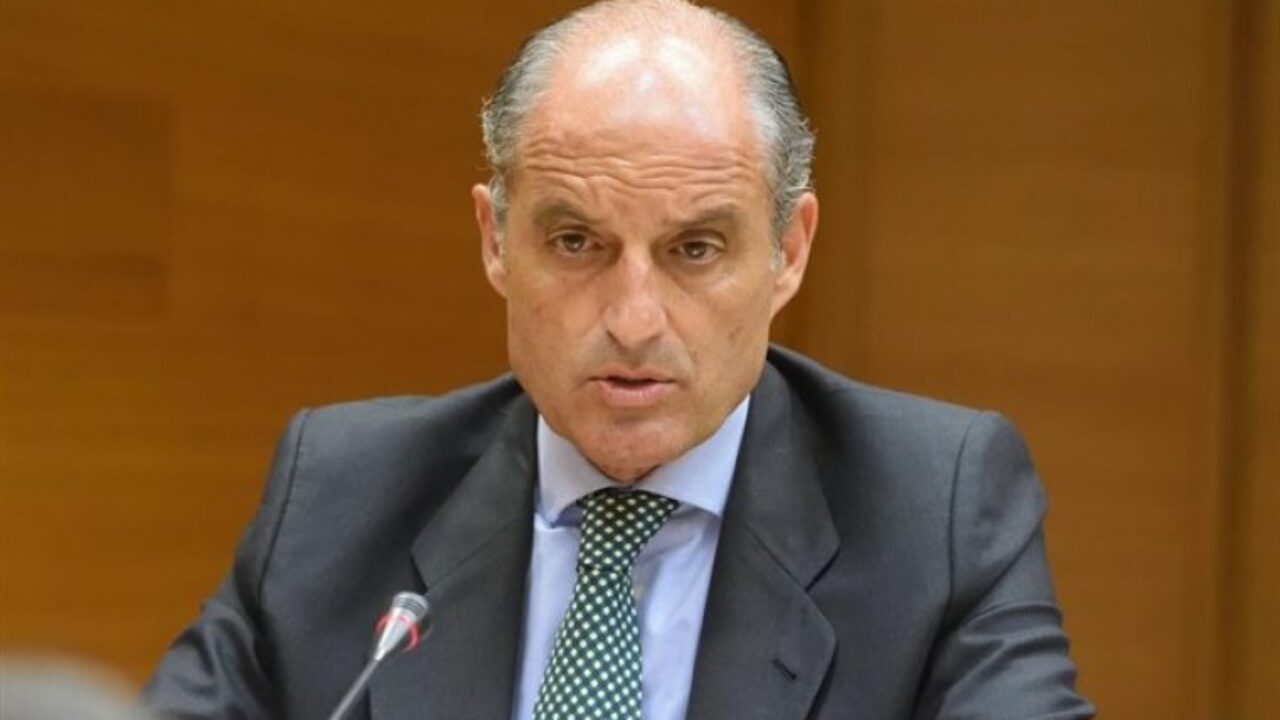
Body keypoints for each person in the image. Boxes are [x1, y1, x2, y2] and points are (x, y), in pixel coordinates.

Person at [143, 1, 1094, 718]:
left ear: (789, 252)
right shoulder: (340, 495)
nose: (635, 320)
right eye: (576, 242)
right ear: (494, 240)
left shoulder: (937, 515)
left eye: (695, 249)